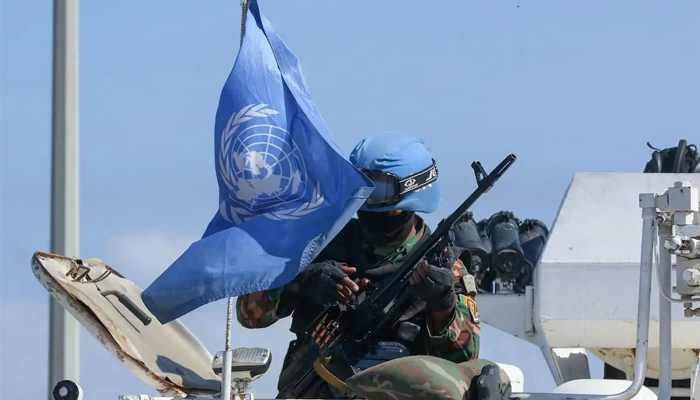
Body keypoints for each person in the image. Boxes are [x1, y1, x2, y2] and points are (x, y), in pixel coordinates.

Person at [236, 131, 511, 400]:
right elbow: (249, 314)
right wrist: (300, 281)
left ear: (413, 199)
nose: (370, 210)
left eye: (382, 201)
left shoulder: (445, 268)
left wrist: (442, 305)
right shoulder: (320, 245)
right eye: (363, 195)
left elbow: (460, 363)